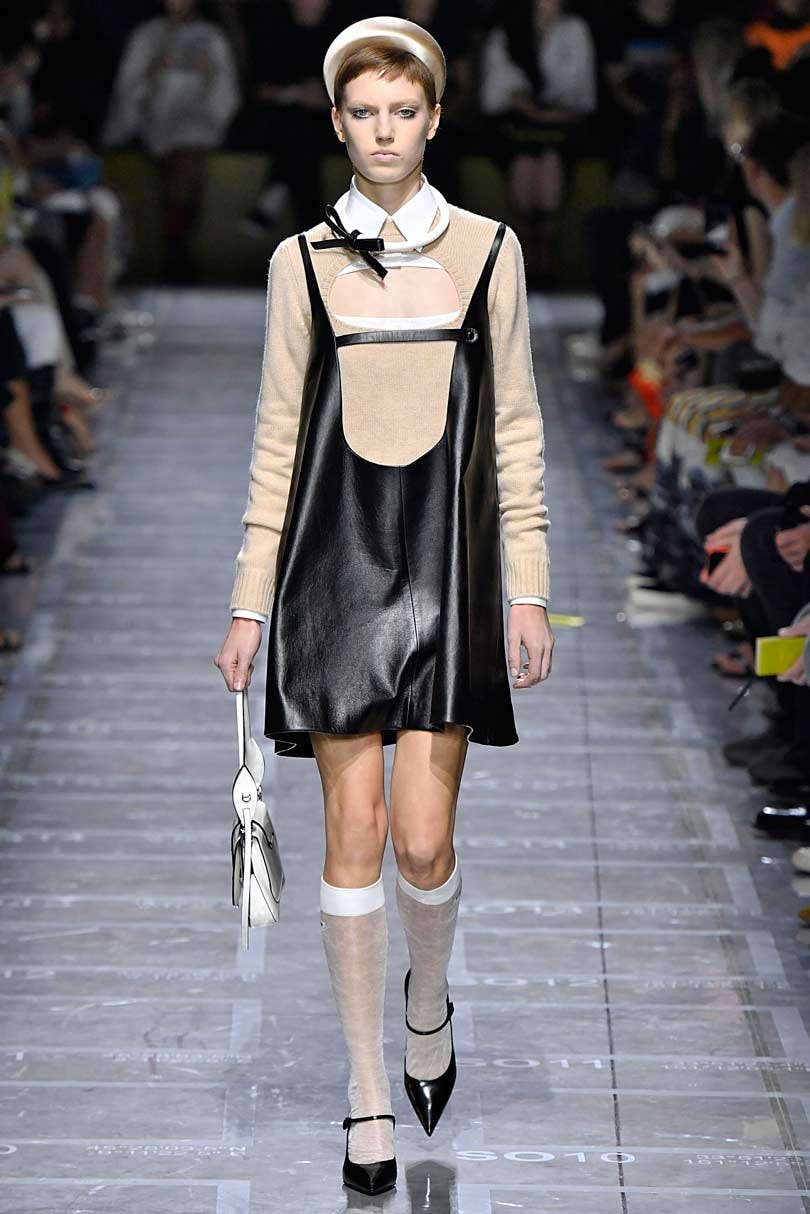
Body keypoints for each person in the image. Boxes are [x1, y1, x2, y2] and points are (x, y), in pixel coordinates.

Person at [214, 13, 553, 1197]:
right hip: (334, 573)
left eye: (404, 111)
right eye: (364, 113)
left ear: (435, 118)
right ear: (338, 121)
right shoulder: (301, 260)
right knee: (352, 829)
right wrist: (250, 603)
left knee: (423, 837)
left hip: (449, 568)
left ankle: (427, 997)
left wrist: (529, 587)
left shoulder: (489, 251)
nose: (385, 131)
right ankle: (366, 1088)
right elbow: (276, 440)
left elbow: (516, 427)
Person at [101, 0, 240, 282]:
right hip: (156, 120)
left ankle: (177, 246)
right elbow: (128, 87)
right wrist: (153, 72)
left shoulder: (211, 37)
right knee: (179, 166)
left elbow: (225, 92)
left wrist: (207, 74)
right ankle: (177, 247)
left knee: (188, 159)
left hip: (197, 121)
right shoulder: (147, 35)